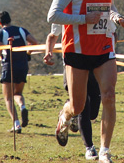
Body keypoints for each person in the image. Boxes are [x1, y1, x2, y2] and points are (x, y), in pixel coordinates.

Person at [45, 0, 124, 163]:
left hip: (104, 47)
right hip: (77, 50)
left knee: (109, 96)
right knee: (78, 105)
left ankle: (104, 151)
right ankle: (65, 117)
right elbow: (53, 15)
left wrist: (119, 19)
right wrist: (84, 18)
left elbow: (110, 7)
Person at [45, 24, 102, 160]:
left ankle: (68, 112)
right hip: (74, 63)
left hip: (95, 62)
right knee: (83, 106)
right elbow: (52, 35)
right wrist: (49, 52)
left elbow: (112, 33)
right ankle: (90, 148)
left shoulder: (97, 5)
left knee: (93, 113)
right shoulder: (67, 7)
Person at [0, 11, 38, 133]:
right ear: (10, 20)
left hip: (9, 66)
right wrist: (28, 53)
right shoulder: (21, 30)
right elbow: (34, 43)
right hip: (23, 65)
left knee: (8, 98)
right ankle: (22, 106)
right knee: (17, 93)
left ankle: (16, 124)